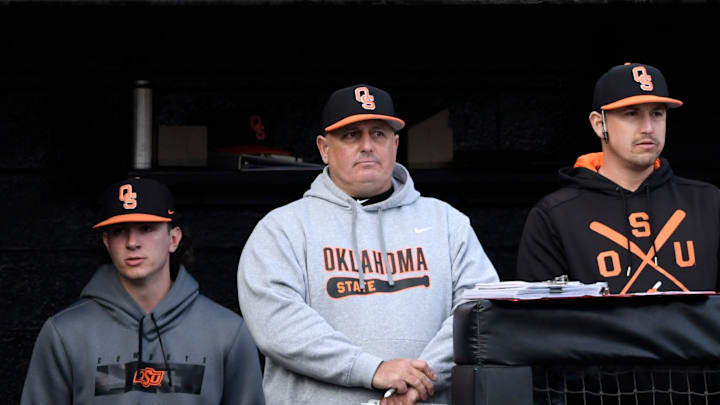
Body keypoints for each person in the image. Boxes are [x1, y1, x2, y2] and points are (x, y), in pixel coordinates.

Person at [236, 84, 499, 405]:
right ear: (324, 148)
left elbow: (481, 311)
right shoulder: (282, 229)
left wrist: (420, 380)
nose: (367, 146)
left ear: (395, 144)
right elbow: (278, 326)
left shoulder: (448, 223)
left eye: (378, 134)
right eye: (351, 135)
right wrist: (373, 370)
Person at [20, 177, 264, 405]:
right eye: (119, 231)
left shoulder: (228, 333)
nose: (132, 242)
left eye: (146, 228)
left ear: (174, 239)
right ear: (106, 242)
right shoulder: (64, 333)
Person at [516, 62, 720, 294]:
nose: (648, 128)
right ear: (598, 124)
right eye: (631, 114)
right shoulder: (555, 215)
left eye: (657, 113)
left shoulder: (708, 202)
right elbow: (540, 323)